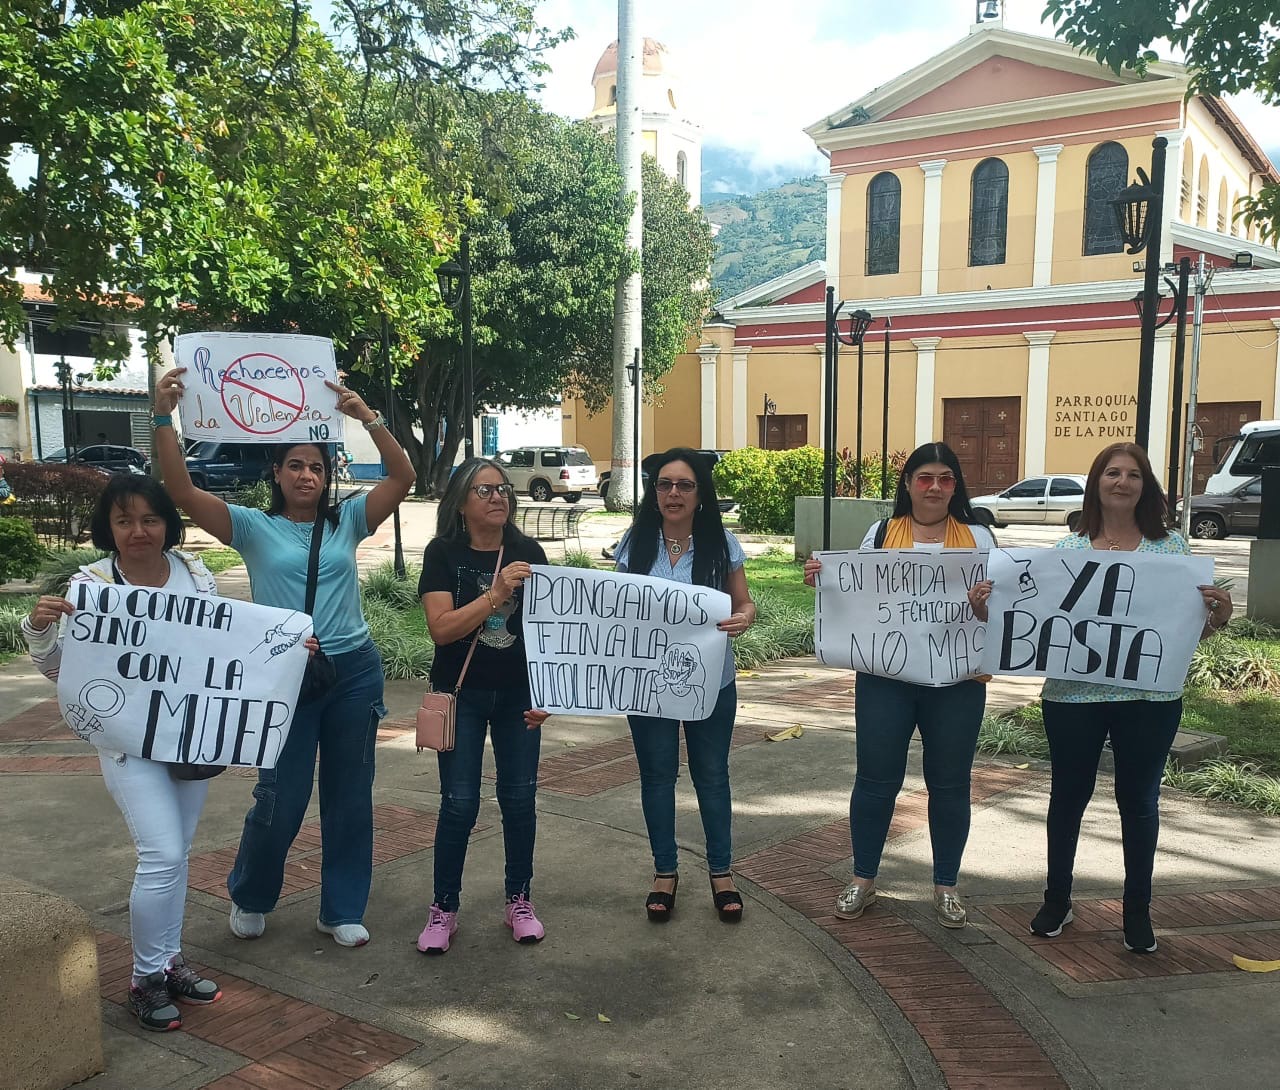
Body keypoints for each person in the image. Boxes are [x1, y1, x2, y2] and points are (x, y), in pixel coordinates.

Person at [151, 366, 415, 947]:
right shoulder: (250, 527)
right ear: (276, 473)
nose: (307, 475)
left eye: (317, 467)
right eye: (295, 465)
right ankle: (251, 892)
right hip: (282, 677)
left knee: (350, 795)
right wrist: (162, 416)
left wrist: (365, 416)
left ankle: (341, 908)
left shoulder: (348, 520)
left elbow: (405, 474)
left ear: (327, 476)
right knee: (281, 796)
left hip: (353, 672)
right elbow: (182, 492)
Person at [968, 442, 1233, 954]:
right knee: (1067, 798)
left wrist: (1215, 616)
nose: (1122, 482)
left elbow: (1183, 635)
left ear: (1146, 487)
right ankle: (1057, 899)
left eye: (1134, 475)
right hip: (1071, 699)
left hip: (1149, 700)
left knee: (1139, 803)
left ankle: (1137, 911)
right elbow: (1032, 627)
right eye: (1112, 472)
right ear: (1096, 484)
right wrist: (989, 611)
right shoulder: (1064, 555)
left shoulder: (1173, 552)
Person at [21, 474, 224, 1032]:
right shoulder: (88, 586)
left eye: (150, 519)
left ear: (167, 523)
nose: (138, 531)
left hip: (188, 736)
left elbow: (224, 652)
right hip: (127, 741)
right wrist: (39, 631)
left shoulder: (194, 575)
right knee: (160, 853)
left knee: (178, 853)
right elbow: (62, 672)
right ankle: (145, 978)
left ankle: (169, 959)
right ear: (107, 528)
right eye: (124, 520)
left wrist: (280, 652)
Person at [803, 441, 996, 928]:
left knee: (950, 784)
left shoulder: (979, 538)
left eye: (945, 479)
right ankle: (863, 878)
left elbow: (1003, 613)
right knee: (874, 779)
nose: (935, 487)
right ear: (907, 484)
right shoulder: (881, 533)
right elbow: (861, 599)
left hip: (957, 678)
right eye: (924, 477)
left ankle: (946, 885)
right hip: (886, 678)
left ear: (957, 487)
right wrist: (825, 581)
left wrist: (982, 604)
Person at [615, 447, 756, 923]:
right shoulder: (633, 544)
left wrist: (743, 620)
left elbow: (745, 603)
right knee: (656, 778)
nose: (674, 493)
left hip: (712, 682)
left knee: (711, 775)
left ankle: (722, 872)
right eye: (664, 485)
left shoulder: (723, 545)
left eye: (685, 485)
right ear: (653, 493)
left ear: (700, 493)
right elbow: (613, 609)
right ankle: (664, 872)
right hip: (648, 685)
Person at [415, 458, 551, 954]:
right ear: (461, 503)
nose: (498, 497)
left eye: (502, 489)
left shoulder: (528, 552)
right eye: (485, 490)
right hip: (461, 695)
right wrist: (494, 596)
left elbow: (555, 635)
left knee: (519, 800)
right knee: (459, 803)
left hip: (520, 697)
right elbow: (442, 629)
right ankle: (443, 908)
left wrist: (551, 695)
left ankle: (520, 900)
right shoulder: (443, 553)